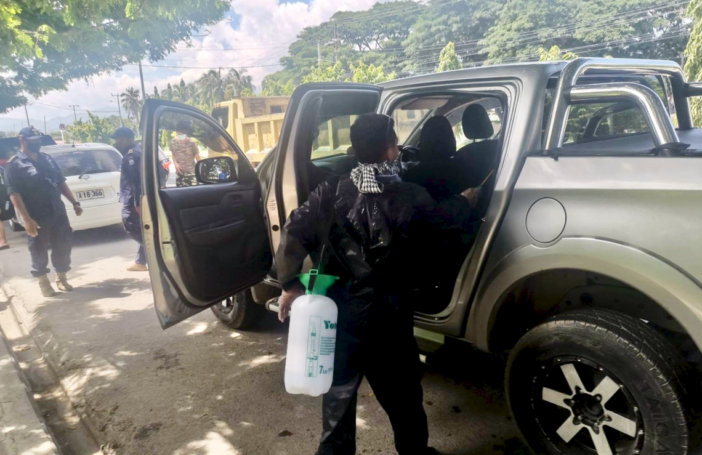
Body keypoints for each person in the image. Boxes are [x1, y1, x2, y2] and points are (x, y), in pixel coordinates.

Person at [276, 114, 481, 455]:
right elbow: (445, 218)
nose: (398, 149)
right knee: (402, 396)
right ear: (389, 151)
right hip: (389, 314)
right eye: (395, 143)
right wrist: (467, 199)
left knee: (338, 398)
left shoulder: (328, 190)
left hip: (339, 313)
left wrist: (289, 286)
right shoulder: (410, 194)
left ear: (353, 149)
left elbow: (294, 231)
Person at [6, 127, 83, 297]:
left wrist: (74, 202)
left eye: (38, 140)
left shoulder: (47, 159)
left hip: (57, 211)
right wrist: (26, 219)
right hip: (36, 215)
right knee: (38, 249)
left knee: (63, 245)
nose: (37, 143)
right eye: (32, 141)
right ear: (22, 140)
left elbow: (60, 182)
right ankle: (43, 281)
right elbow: (14, 193)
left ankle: (61, 277)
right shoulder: (14, 164)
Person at [112, 127, 147, 272]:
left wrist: (137, 203)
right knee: (143, 230)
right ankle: (141, 262)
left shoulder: (131, 156)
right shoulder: (138, 151)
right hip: (135, 198)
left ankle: (157, 253)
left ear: (125, 139)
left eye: (117, 140)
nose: (116, 143)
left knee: (131, 225)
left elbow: (136, 181)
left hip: (133, 199)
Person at [170, 119, 200, 187]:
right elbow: (173, 155)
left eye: (181, 134)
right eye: (178, 133)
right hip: (179, 175)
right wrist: (175, 163)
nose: (179, 135)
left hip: (191, 174)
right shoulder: (173, 142)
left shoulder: (192, 143)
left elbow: (198, 158)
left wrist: (201, 171)